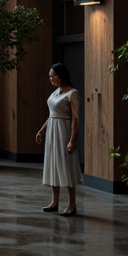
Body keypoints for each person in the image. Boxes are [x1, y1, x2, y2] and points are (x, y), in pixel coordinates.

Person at [35, 62, 82, 216]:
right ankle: (54, 202)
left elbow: (75, 118)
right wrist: (41, 131)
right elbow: (52, 115)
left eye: (51, 75)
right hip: (52, 133)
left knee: (66, 167)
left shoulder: (72, 94)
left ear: (59, 76)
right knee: (53, 166)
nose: (50, 78)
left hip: (63, 132)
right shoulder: (55, 92)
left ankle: (72, 205)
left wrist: (72, 140)